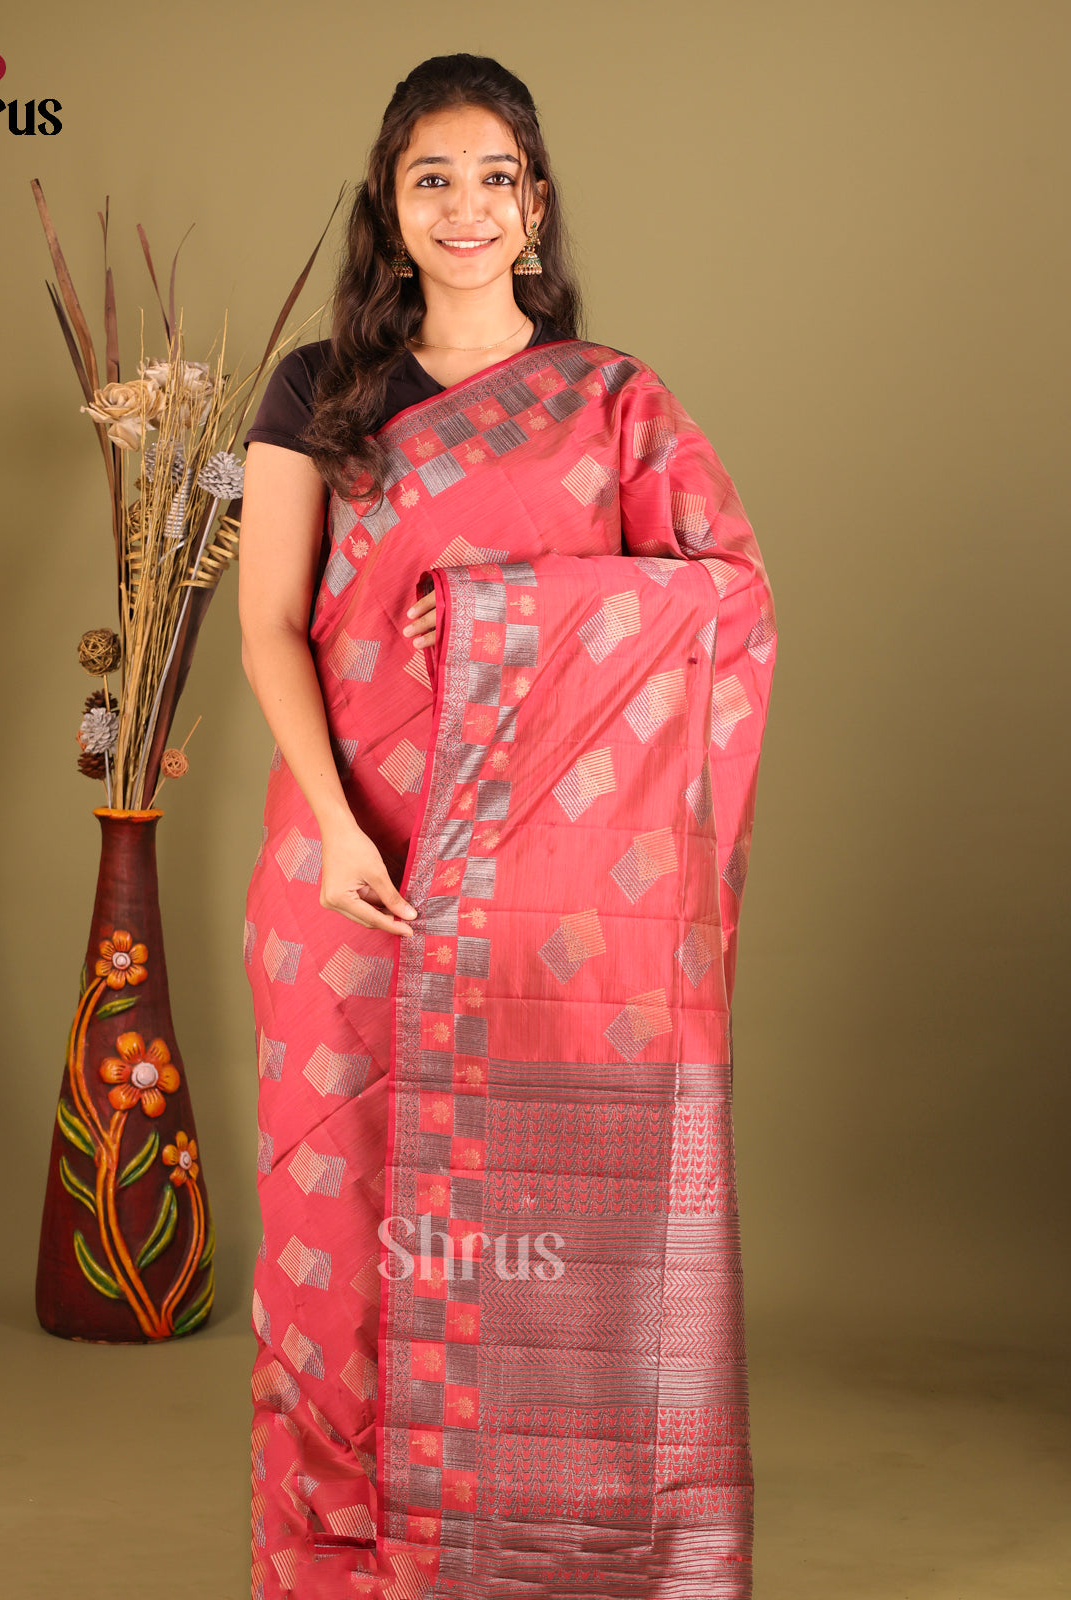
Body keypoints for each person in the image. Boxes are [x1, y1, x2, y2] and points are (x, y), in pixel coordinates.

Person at [237, 52, 776, 1600]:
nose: (465, 207)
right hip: (345, 877)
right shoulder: (314, 392)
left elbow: (720, 610)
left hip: (548, 908)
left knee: (541, 1235)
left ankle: (550, 1566)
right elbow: (271, 626)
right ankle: (351, 1575)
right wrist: (340, 832)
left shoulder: (613, 403)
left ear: (533, 205)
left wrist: (497, 616)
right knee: (338, 1236)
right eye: (432, 180)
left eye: (493, 179)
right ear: (388, 210)